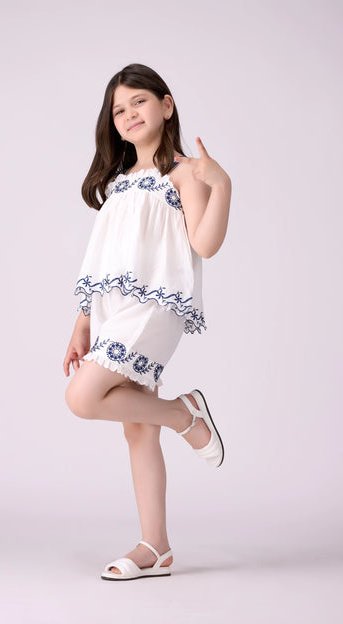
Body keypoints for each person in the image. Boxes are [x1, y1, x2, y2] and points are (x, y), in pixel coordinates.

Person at [63, 63, 231, 581]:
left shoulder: (184, 173)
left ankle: (184, 414)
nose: (129, 113)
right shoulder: (118, 185)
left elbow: (205, 244)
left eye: (139, 101)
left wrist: (222, 184)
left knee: (82, 398)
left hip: (155, 306)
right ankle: (156, 547)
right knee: (137, 428)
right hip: (113, 307)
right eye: (119, 109)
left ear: (166, 105)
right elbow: (103, 261)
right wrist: (82, 322)